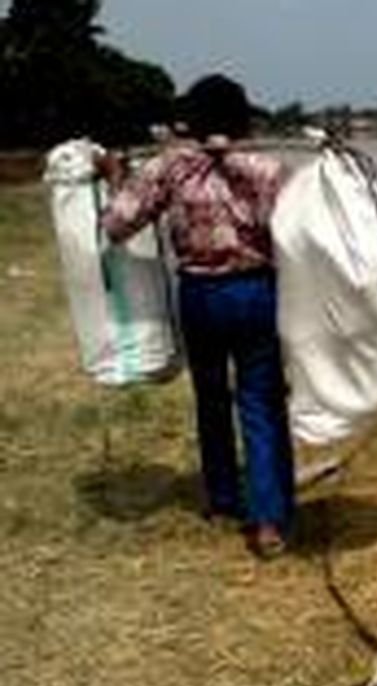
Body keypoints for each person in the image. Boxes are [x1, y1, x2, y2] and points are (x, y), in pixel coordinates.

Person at [97, 74, 294, 559]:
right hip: (255, 294)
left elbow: (118, 224)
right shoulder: (269, 169)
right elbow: (298, 237)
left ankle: (224, 499)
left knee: (210, 398)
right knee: (262, 403)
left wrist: (115, 178)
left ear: (193, 122)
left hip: (200, 296)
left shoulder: (169, 168)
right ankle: (268, 519)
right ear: (243, 119)